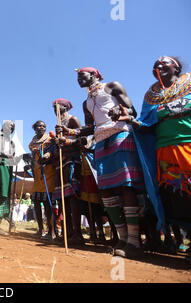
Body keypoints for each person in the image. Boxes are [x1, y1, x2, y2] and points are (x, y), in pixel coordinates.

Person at [58, 67, 145, 258]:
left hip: (120, 135)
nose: (79, 79)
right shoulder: (85, 102)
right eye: (77, 77)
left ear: (95, 75)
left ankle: (134, 241)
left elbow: (133, 111)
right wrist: (68, 133)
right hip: (100, 142)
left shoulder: (113, 86)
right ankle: (122, 238)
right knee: (105, 191)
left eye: (82, 75)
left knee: (126, 187)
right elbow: (89, 129)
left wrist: (119, 110)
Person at [115, 56, 191, 254]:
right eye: (155, 65)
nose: (158, 66)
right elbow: (145, 124)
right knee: (178, 197)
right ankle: (189, 242)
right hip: (165, 152)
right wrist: (130, 120)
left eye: (164, 63)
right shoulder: (151, 95)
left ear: (176, 67)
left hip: (190, 144)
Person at [53, 99, 84, 246]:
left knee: (72, 197)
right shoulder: (58, 124)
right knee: (62, 199)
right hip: (60, 163)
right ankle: (68, 232)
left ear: (66, 107)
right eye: (54, 107)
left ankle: (78, 234)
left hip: (72, 160)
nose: (56, 109)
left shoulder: (73, 120)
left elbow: (83, 139)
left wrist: (67, 142)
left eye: (58, 106)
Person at [26, 120, 57, 239]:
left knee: (48, 204)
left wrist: (47, 157)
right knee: (36, 202)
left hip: (48, 173)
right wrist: (30, 165)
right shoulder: (32, 143)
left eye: (44, 126)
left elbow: (52, 153)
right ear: (35, 128)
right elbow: (34, 158)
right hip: (37, 174)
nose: (42, 128)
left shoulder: (49, 140)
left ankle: (51, 231)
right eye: (39, 126)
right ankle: (40, 230)